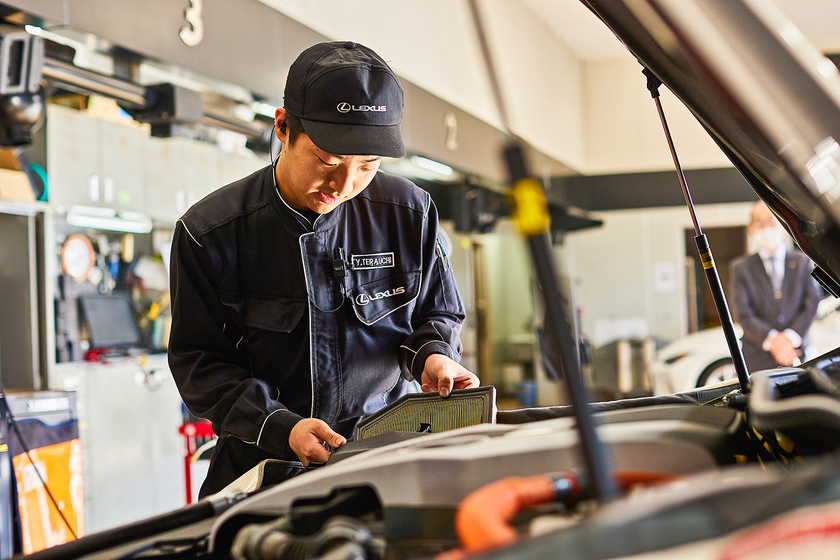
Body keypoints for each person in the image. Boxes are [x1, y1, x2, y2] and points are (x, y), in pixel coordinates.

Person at [168, 41, 479, 497]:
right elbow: (200, 364)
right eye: (327, 161)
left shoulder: (410, 214)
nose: (344, 185)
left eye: (367, 167)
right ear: (282, 127)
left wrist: (434, 356)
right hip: (262, 470)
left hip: (384, 459)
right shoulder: (210, 234)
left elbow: (438, 312)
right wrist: (279, 426)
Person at [729, 201, 822, 372]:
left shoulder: (803, 262)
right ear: (750, 229)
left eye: (771, 221)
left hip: (797, 352)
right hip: (757, 358)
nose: (766, 228)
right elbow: (743, 313)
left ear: (783, 225)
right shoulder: (741, 268)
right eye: (759, 223)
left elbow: (812, 303)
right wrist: (773, 342)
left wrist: (789, 339)